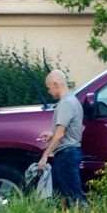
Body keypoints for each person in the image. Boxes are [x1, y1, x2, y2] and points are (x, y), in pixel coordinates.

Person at [37, 69, 87, 204]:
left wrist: (45, 155)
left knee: (75, 197)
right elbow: (68, 131)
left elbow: (60, 135)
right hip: (69, 154)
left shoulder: (66, 103)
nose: (49, 91)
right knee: (56, 195)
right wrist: (52, 134)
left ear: (55, 83)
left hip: (67, 155)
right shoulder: (73, 101)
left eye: (49, 88)